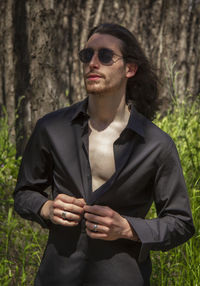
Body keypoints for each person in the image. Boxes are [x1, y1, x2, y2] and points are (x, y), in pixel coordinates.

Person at [14, 23, 195, 286]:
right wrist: (46, 207)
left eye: (105, 56)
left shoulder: (157, 144)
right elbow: (23, 193)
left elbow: (181, 223)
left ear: (130, 69)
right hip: (57, 276)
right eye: (87, 55)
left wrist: (128, 228)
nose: (93, 63)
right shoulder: (51, 128)